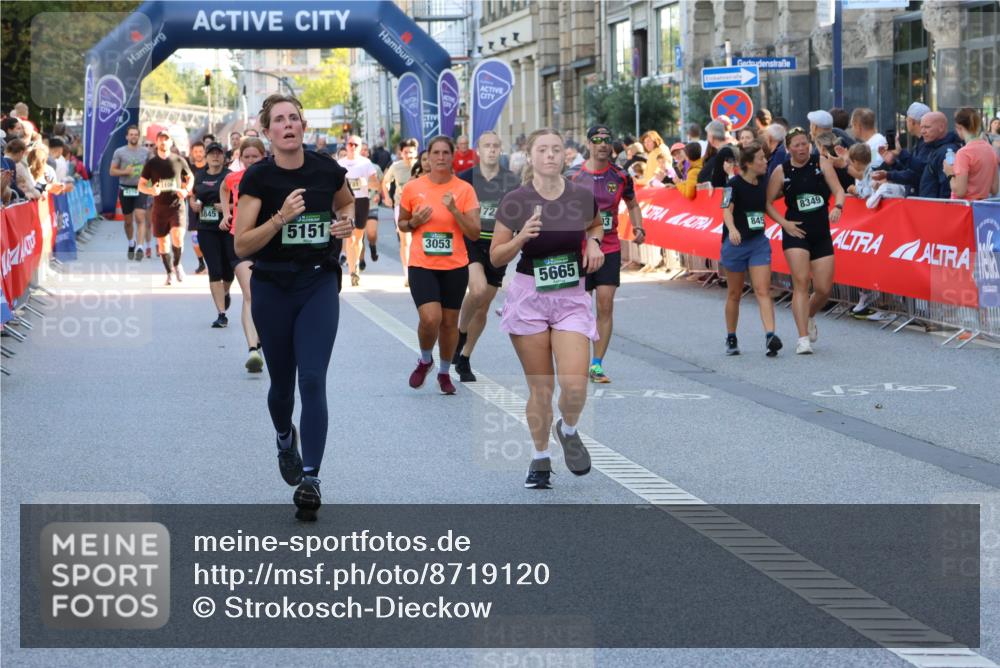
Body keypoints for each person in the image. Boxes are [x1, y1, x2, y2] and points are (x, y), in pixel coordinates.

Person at [233, 93, 355, 522]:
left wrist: (347, 222)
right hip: (272, 286)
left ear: (303, 126)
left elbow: (346, 202)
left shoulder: (326, 169)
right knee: (282, 385)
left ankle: (311, 478)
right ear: (267, 133)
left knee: (314, 380)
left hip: (318, 281)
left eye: (294, 119)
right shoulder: (258, 179)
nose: (288, 125)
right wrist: (280, 218)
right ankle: (285, 437)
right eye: (279, 121)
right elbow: (242, 243)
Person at [489, 127, 604, 489]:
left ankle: (567, 429)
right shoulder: (516, 201)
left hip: (571, 295)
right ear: (531, 156)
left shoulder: (581, 197)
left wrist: (595, 244)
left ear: (565, 156)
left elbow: (597, 225)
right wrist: (522, 237)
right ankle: (540, 459)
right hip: (529, 296)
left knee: (575, 385)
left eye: (557, 149)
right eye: (543, 150)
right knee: (541, 388)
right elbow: (495, 256)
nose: (551, 155)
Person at [398, 136, 481, 395]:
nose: (441, 157)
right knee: (430, 318)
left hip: (454, 266)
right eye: (436, 152)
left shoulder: (464, 190)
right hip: (422, 264)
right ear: (429, 157)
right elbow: (402, 223)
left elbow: (475, 232)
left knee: (448, 323)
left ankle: (444, 372)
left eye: (446, 152)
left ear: (453, 156)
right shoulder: (413, 188)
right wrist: (413, 223)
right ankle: (425, 360)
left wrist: (456, 211)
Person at [567, 124, 644, 383]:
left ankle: (597, 364)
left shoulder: (621, 176)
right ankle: (577, 359)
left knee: (605, 304)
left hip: (609, 247)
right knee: (579, 308)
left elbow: (632, 204)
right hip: (579, 249)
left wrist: (639, 226)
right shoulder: (573, 175)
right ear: (588, 144)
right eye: (597, 140)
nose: (602, 144)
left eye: (607, 140)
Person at [765, 127, 846, 355]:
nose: (801, 148)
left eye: (804, 144)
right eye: (796, 145)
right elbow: (768, 202)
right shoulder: (782, 171)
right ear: (788, 148)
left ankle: (809, 314)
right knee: (801, 283)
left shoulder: (820, 163)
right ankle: (802, 339)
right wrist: (784, 223)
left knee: (823, 289)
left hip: (821, 231)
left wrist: (838, 207)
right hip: (795, 232)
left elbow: (838, 190)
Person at [453, 131, 521, 382]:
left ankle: (465, 357)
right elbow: (455, 211)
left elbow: (519, 211)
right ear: (478, 150)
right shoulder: (465, 179)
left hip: (498, 244)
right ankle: (460, 333)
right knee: (478, 290)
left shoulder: (511, 181)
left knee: (483, 307)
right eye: (487, 146)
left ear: (500, 150)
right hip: (471, 241)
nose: (492, 150)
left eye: (496, 146)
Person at [721, 141, 782, 357]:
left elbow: (766, 205)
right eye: (761, 159)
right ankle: (731, 336)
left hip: (758, 242)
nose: (765, 162)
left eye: (765, 158)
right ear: (748, 164)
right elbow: (726, 211)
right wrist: (732, 229)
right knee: (735, 293)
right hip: (736, 244)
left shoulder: (764, 180)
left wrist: (785, 223)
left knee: (763, 290)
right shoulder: (733, 185)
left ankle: (770, 336)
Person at [219, 138, 267, 373]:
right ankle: (253, 350)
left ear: (263, 156)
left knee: (264, 295)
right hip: (238, 239)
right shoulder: (234, 177)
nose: (249, 161)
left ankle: (260, 338)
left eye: (254, 157)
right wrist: (226, 213)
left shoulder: (272, 176)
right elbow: (224, 188)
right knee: (250, 292)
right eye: (245, 157)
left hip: (266, 240)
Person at [138, 130, 193, 285]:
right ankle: (169, 272)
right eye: (160, 139)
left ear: (170, 142)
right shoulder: (151, 163)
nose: (163, 142)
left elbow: (190, 178)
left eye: (166, 139)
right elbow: (141, 185)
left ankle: (177, 264)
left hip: (177, 206)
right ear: (157, 143)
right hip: (160, 208)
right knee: (163, 243)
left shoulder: (179, 160)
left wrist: (186, 190)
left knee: (178, 236)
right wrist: (150, 190)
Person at [189, 142, 232, 328]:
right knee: (214, 269)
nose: (215, 157)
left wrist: (227, 207)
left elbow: (241, 202)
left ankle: (226, 291)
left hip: (227, 226)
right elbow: (193, 195)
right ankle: (221, 314)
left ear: (223, 157)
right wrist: (193, 204)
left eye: (218, 154)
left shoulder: (229, 176)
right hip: (206, 227)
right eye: (211, 154)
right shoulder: (200, 175)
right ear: (206, 157)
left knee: (229, 269)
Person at [339, 135, 380, 287]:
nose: (353, 147)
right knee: (349, 238)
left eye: (356, 144)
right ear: (346, 145)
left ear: (360, 146)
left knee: (358, 238)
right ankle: (352, 271)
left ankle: (356, 262)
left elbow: (377, 185)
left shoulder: (366, 163)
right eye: (350, 144)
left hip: (362, 201)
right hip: (346, 202)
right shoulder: (340, 163)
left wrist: (367, 183)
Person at [872, 102, 932, 194]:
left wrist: (889, 175)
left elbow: (916, 172)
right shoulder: (920, 143)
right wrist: (893, 163)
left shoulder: (927, 144)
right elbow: (909, 170)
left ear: (912, 121)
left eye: (907, 120)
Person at [108, 125, 149, 260]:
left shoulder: (146, 152)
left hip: (140, 188)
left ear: (139, 136)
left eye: (136, 134)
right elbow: (112, 171)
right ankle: (132, 242)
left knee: (140, 217)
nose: (133, 137)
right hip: (125, 188)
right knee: (128, 222)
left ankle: (140, 248)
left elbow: (153, 168)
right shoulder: (119, 152)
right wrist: (125, 171)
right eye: (131, 134)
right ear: (127, 137)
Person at [383, 139, 419, 286]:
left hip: (419, 206)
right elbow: (385, 181)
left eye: (411, 152)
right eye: (405, 152)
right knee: (406, 241)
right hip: (401, 206)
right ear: (401, 153)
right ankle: (408, 274)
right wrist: (386, 197)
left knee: (419, 240)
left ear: (416, 152)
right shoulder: (396, 167)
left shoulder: (421, 166)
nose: (408, 155)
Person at [944, 107, 1000, 201]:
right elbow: (994, 189)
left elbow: (960, 192)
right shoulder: (991, 150)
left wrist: (949, 173)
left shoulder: (964, 153)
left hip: (964, 210)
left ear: (959, 127)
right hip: (982, 210)